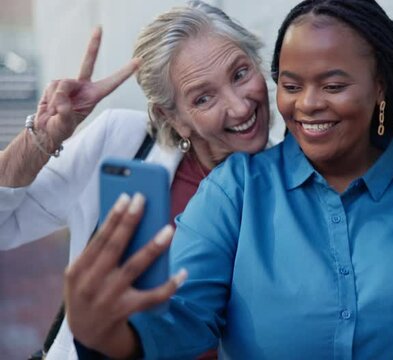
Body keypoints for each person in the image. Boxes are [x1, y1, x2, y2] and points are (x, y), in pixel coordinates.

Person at [64, 0, 393, 358]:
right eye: (291, 85)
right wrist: (110, 334)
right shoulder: (234, 190)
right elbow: (184, 317)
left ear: (380, 88)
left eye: (333, 85)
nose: (309, 104)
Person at [0, 1, 271, 359]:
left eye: (240, 74)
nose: (239, 107)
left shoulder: (292, 179)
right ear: (172, 116)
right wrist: (42, 140)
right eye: (203, 98)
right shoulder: (121, 141)